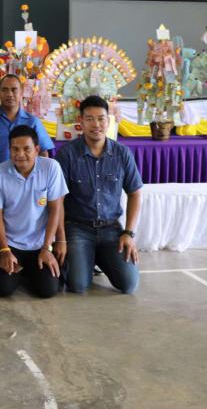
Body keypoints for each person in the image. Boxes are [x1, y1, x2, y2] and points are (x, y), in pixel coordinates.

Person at [55, 95, 143, 294]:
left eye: (101, 118)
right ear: (81, 121)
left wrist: (129, 233)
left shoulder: (122, 153)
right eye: (90, 119)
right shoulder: (67, 154)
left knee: (129, 285)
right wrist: (60, 239)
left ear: (108, 120)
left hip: (111, 229)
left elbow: (135, 193)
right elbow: (57, 201)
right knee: (78, 286)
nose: (96, 124)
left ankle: (97, 256)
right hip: (77, 228)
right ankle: (85, 256)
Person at [0, 125, 68, 299]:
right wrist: (4, 250)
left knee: (48, 290)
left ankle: (29, 271)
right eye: (15, 149)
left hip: (40, 244)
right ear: (9, 149)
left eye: (27, 149)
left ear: (37, 149)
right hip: (11, 243)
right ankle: (22, 271)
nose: (20, 154)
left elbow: (55, 209)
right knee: (2, 289)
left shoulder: (51, 167)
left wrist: (47, 247)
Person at [0, 74, 54, 169]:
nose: (9, 94)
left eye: (14, 90)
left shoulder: (33, 121)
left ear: (21, 92)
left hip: (28, 176)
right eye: (5, 90)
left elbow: (43, 153)